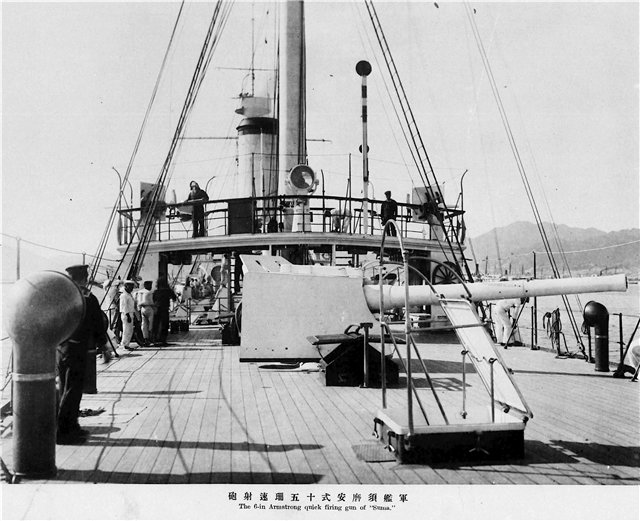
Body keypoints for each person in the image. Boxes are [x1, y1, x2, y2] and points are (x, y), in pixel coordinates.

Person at [57, 264, 107, 444]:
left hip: (61, 349)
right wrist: (104, 346)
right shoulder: (88, 298)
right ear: (85, 279)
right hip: (78, 350)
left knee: (64, 388)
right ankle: (63, 433)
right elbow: (97, 323)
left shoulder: (62, 297)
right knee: (73, 390)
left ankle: (72, 426)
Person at [153, 277, 177, 346]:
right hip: (164, 308)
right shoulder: (168, 291)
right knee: (164, 324)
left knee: (156, 324)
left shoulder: (156, 291)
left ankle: (155, 339)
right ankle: (163, 340)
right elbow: (174, 298)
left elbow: (153, 300)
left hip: (157, 309)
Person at [135, 280, 156, 345]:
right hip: (149, 308)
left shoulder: (139, 292)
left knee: (144, 324)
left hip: (142, 309)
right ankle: (150, 338)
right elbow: (152, 302)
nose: (150, 287)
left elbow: (137, 302)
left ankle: (145, 338)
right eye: (150, 285)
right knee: (151, 324)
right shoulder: (149, 292)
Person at [118, 280, 137, 351]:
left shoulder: (129, 295)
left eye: (132, 287)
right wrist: (128, 315)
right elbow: (124, 306)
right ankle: (124, 345)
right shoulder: (124, 295)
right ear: (126, 286)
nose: (131, 288)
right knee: (126, 330)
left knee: (129, 330)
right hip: (126, 314)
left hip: (130, 313)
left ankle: (127, 344)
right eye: (130, 287)